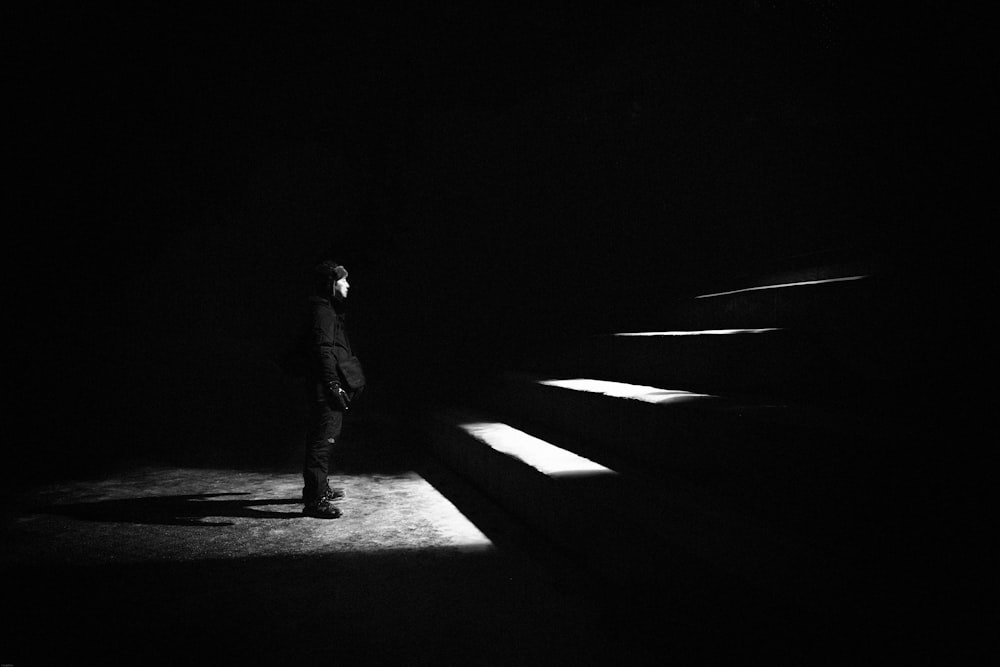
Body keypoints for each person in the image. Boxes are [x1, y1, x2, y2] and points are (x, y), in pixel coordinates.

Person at [301, 259, 357, 519]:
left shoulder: (324, 308)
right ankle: (316, 500)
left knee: (324, 436)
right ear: (330, 284)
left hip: (324, 385)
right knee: (322, 440)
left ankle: (319, 488)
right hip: (325, 387)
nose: (347, 284)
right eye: (343, 280)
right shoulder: (322, 310)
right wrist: (333, 384)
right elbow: (323, 351)